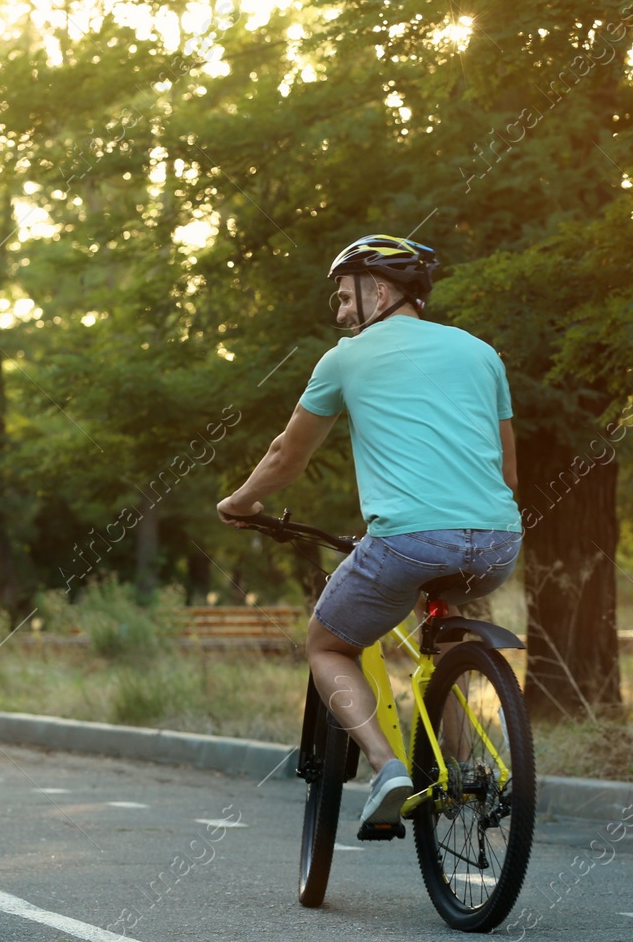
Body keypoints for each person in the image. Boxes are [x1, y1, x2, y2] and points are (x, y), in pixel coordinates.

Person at [217, 235, 522, 835]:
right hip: (497, 542)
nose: (339, 314)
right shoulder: (483, 354)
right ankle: (456, 763)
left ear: (378, 290)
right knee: (437, 635)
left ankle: (387, 769)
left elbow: (286, 457)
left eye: (344, 297)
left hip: (407, 540)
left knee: (327, 646)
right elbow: (509, 472)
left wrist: (241, 500)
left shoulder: (343, 359)